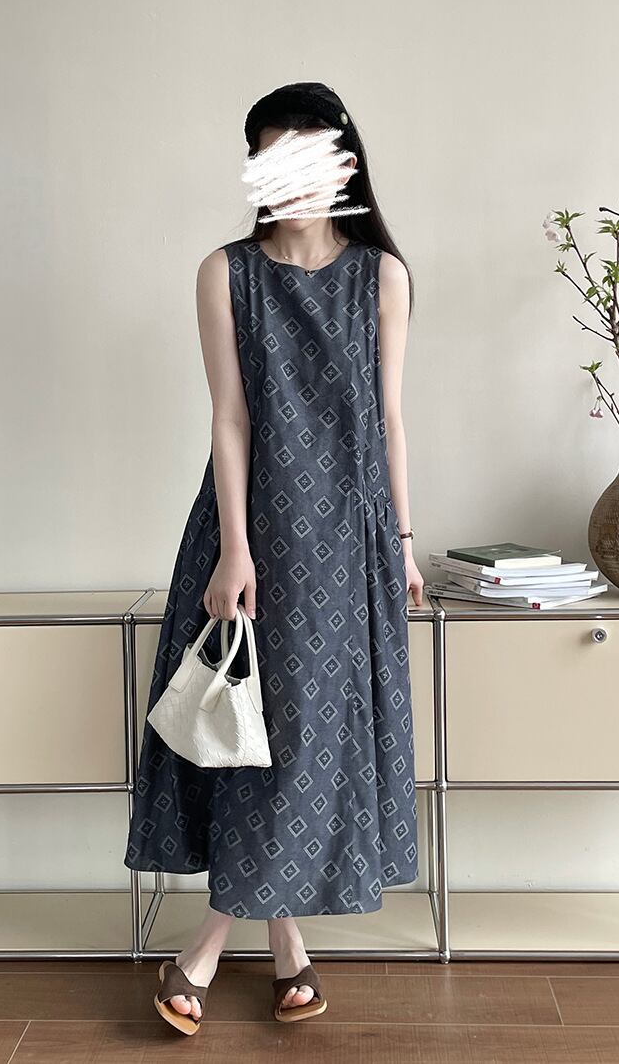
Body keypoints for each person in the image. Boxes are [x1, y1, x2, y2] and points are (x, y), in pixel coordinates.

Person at [125, 81, 424, 1035]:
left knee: (298, 742)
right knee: (259, 736)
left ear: (344, 164)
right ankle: (258, 949)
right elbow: (230, 419)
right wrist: (235, 547)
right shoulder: (225, 273)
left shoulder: (382, 276)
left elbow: (388, 420)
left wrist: (403, 544)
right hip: (250, 536)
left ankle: (219, 950)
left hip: (350, 544)